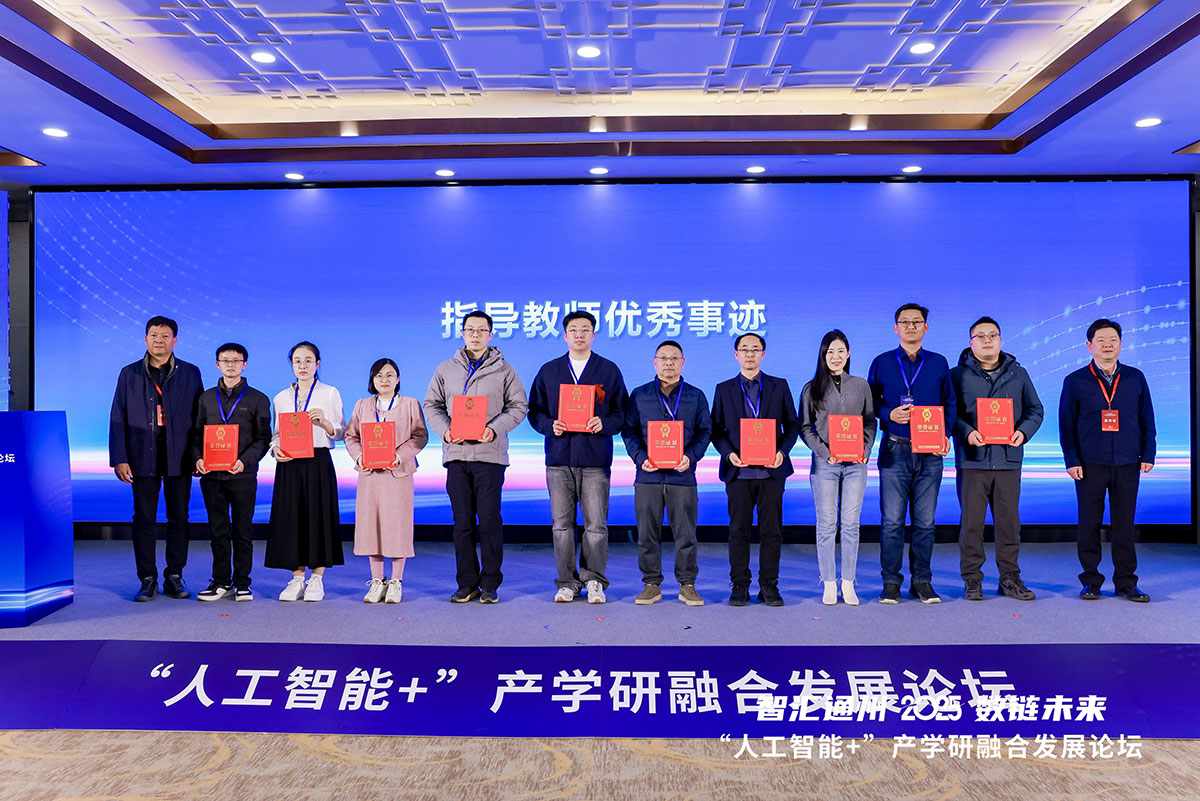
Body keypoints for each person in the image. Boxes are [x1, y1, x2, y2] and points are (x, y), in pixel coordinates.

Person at [423, 310, 527, 604]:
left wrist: (494, 430)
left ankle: (490, 583)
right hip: (457, 456)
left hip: (489, 456)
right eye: (471, 329)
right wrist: (445, 431)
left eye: (482, 330)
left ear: (490, 335)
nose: (476, 335)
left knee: (490, 522)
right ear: (463, 333)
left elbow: (518, 406)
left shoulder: (505, 370)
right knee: (462, 524)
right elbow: (431, 405)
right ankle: (467, 583)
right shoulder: (446, 369)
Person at [528, 310, 628, 604]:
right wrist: (550, 425)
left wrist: (604, 424)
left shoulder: (608, 370)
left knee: (596, 526)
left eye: (585, 329)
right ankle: (567, 582)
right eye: (574, 330)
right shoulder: (550, 371)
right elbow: (535, 411)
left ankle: (594, 580)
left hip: (595, 460)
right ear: (565, 336)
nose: (579, 334)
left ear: (593, 335)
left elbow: (622, 413)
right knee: (561, 526)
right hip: (559, 459)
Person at [1059, 318, 1155, 602]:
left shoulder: (1136, 377)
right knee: (1089, 524)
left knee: (1124, 525)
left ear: (1121, 344)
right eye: (1100, 340)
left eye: (1113, 339)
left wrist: (1148, 453)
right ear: (1090, 345)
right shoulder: (1075, 380)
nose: (1107, 345)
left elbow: (1147, 418)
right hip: (1089, 464)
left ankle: (1126, 582)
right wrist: (1072, 459)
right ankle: (1091, 581)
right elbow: (1066, 424)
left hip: (1127, 461)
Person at [109, 315, 203, 602]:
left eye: (165, 336)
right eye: (153, 335)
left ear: (175, 341)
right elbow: (117, 416)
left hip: (180, 455)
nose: (158, 340)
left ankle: (174, 575)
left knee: (179, 517)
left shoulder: (190, 372)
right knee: (144, 518)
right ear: (145, 339)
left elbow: (200, 419)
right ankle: (147, 578)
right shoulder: (129, 373)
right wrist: (120, 457)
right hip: (141, 455)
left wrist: (199, 455)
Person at [867, 303, 956, 605]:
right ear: (896, 328)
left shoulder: (939, 363)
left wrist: (945, 434)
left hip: (930, 451)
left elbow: (949, 403)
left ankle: (922, 581)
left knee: (925, 523)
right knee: (892, 522)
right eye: (904, 322)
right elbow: (870, 403)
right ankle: (891, 582)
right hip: (895, 448)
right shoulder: (882, 362)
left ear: (926, 327)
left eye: (917, 322)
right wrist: (888, 414)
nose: (911, 326)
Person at [950, 317, 1043, 602]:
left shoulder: (1018, 373)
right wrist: (967, 432)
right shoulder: (957, 375)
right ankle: (972, 579)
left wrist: (1022, 432)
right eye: (980, 336)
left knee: (1008, 524)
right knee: (972, 525)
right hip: (973, 460)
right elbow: (949, 413)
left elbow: (1035, 409)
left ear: (1001, 340)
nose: (987, 340)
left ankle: (1009, 578)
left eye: (993, 335)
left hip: (1008, 460)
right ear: (971, 343)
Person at [710, 333, 801, 607]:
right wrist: (729, 454)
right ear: (735, 354)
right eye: (744, 349)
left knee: (771, 532)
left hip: (771, 472)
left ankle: (769, 585)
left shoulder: (778, 386)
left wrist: (781, 452)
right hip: (739, 473)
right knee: (738, 531)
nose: (749, 354)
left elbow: (792, 425)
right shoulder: (724, 389)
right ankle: (740, 585)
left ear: (763, 354)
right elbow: (716, 429)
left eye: (755, 349)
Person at [621, 340, 711, 606]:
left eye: (674, 358)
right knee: (647, 533)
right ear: (655, 362)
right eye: (663, 358)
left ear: (682, 363)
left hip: (682, 475)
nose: (668, 362)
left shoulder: (696, 396)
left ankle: (687, 584)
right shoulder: (639, 395)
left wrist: (690, 457)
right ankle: (651, 584)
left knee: (686, 535)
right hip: (648, 475)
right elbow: (629, 431)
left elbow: (705, 432)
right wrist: (640, 458)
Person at [799, 330, 876, 606]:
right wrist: (825, 452)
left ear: (849, 354)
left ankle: (849, 583)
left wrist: (866, 449)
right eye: (830, 351)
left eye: (841, 351)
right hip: (825, 464)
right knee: (826, 524)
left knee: (851, 525)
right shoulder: (811, 389)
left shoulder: (861, 385)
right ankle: (829, 582)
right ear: (823, 355)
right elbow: (805, 427)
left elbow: (870, 421)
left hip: (856, 464)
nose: (835, 356)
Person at [190, 343, 272, 602]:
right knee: (218, 531)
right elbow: (196, 435)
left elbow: (263, 438)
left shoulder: (258, 399)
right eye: (225, 360)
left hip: (242, 475)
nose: (230, 365)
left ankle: (243, 583)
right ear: (217, 364)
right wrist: (197, 458)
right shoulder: (205, 398)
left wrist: (244, 461)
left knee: (242, 531)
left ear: (244, 364)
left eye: (236, 360)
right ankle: (221, 582)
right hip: (212, 476)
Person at [266, 341, 345, 602]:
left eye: (308, 360)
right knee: (292, 518)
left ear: (317, 364)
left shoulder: (329, 392)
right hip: (289, 463)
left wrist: (325, 423)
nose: (303, 365)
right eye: (297, 361)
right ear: (291, 365)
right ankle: (297, 578)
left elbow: (341, 432)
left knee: (318, 517)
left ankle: (317, 579)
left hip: (317, 460)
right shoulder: (281, 397)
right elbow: (276, 434)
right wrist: (275, 449)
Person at [345, 358, 428, 604]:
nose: (384, 380)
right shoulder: (362, 405)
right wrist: (359, 456)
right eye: (379, 375)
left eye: (390, 375)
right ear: (372, 379)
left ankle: (396, 581)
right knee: (372, 527)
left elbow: (420, 436)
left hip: (397, 475)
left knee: (397, 527)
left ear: (398, 379)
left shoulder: (410, 404)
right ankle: (376, 581)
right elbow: (351, 436)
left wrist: (399, 456)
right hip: (370, 476)